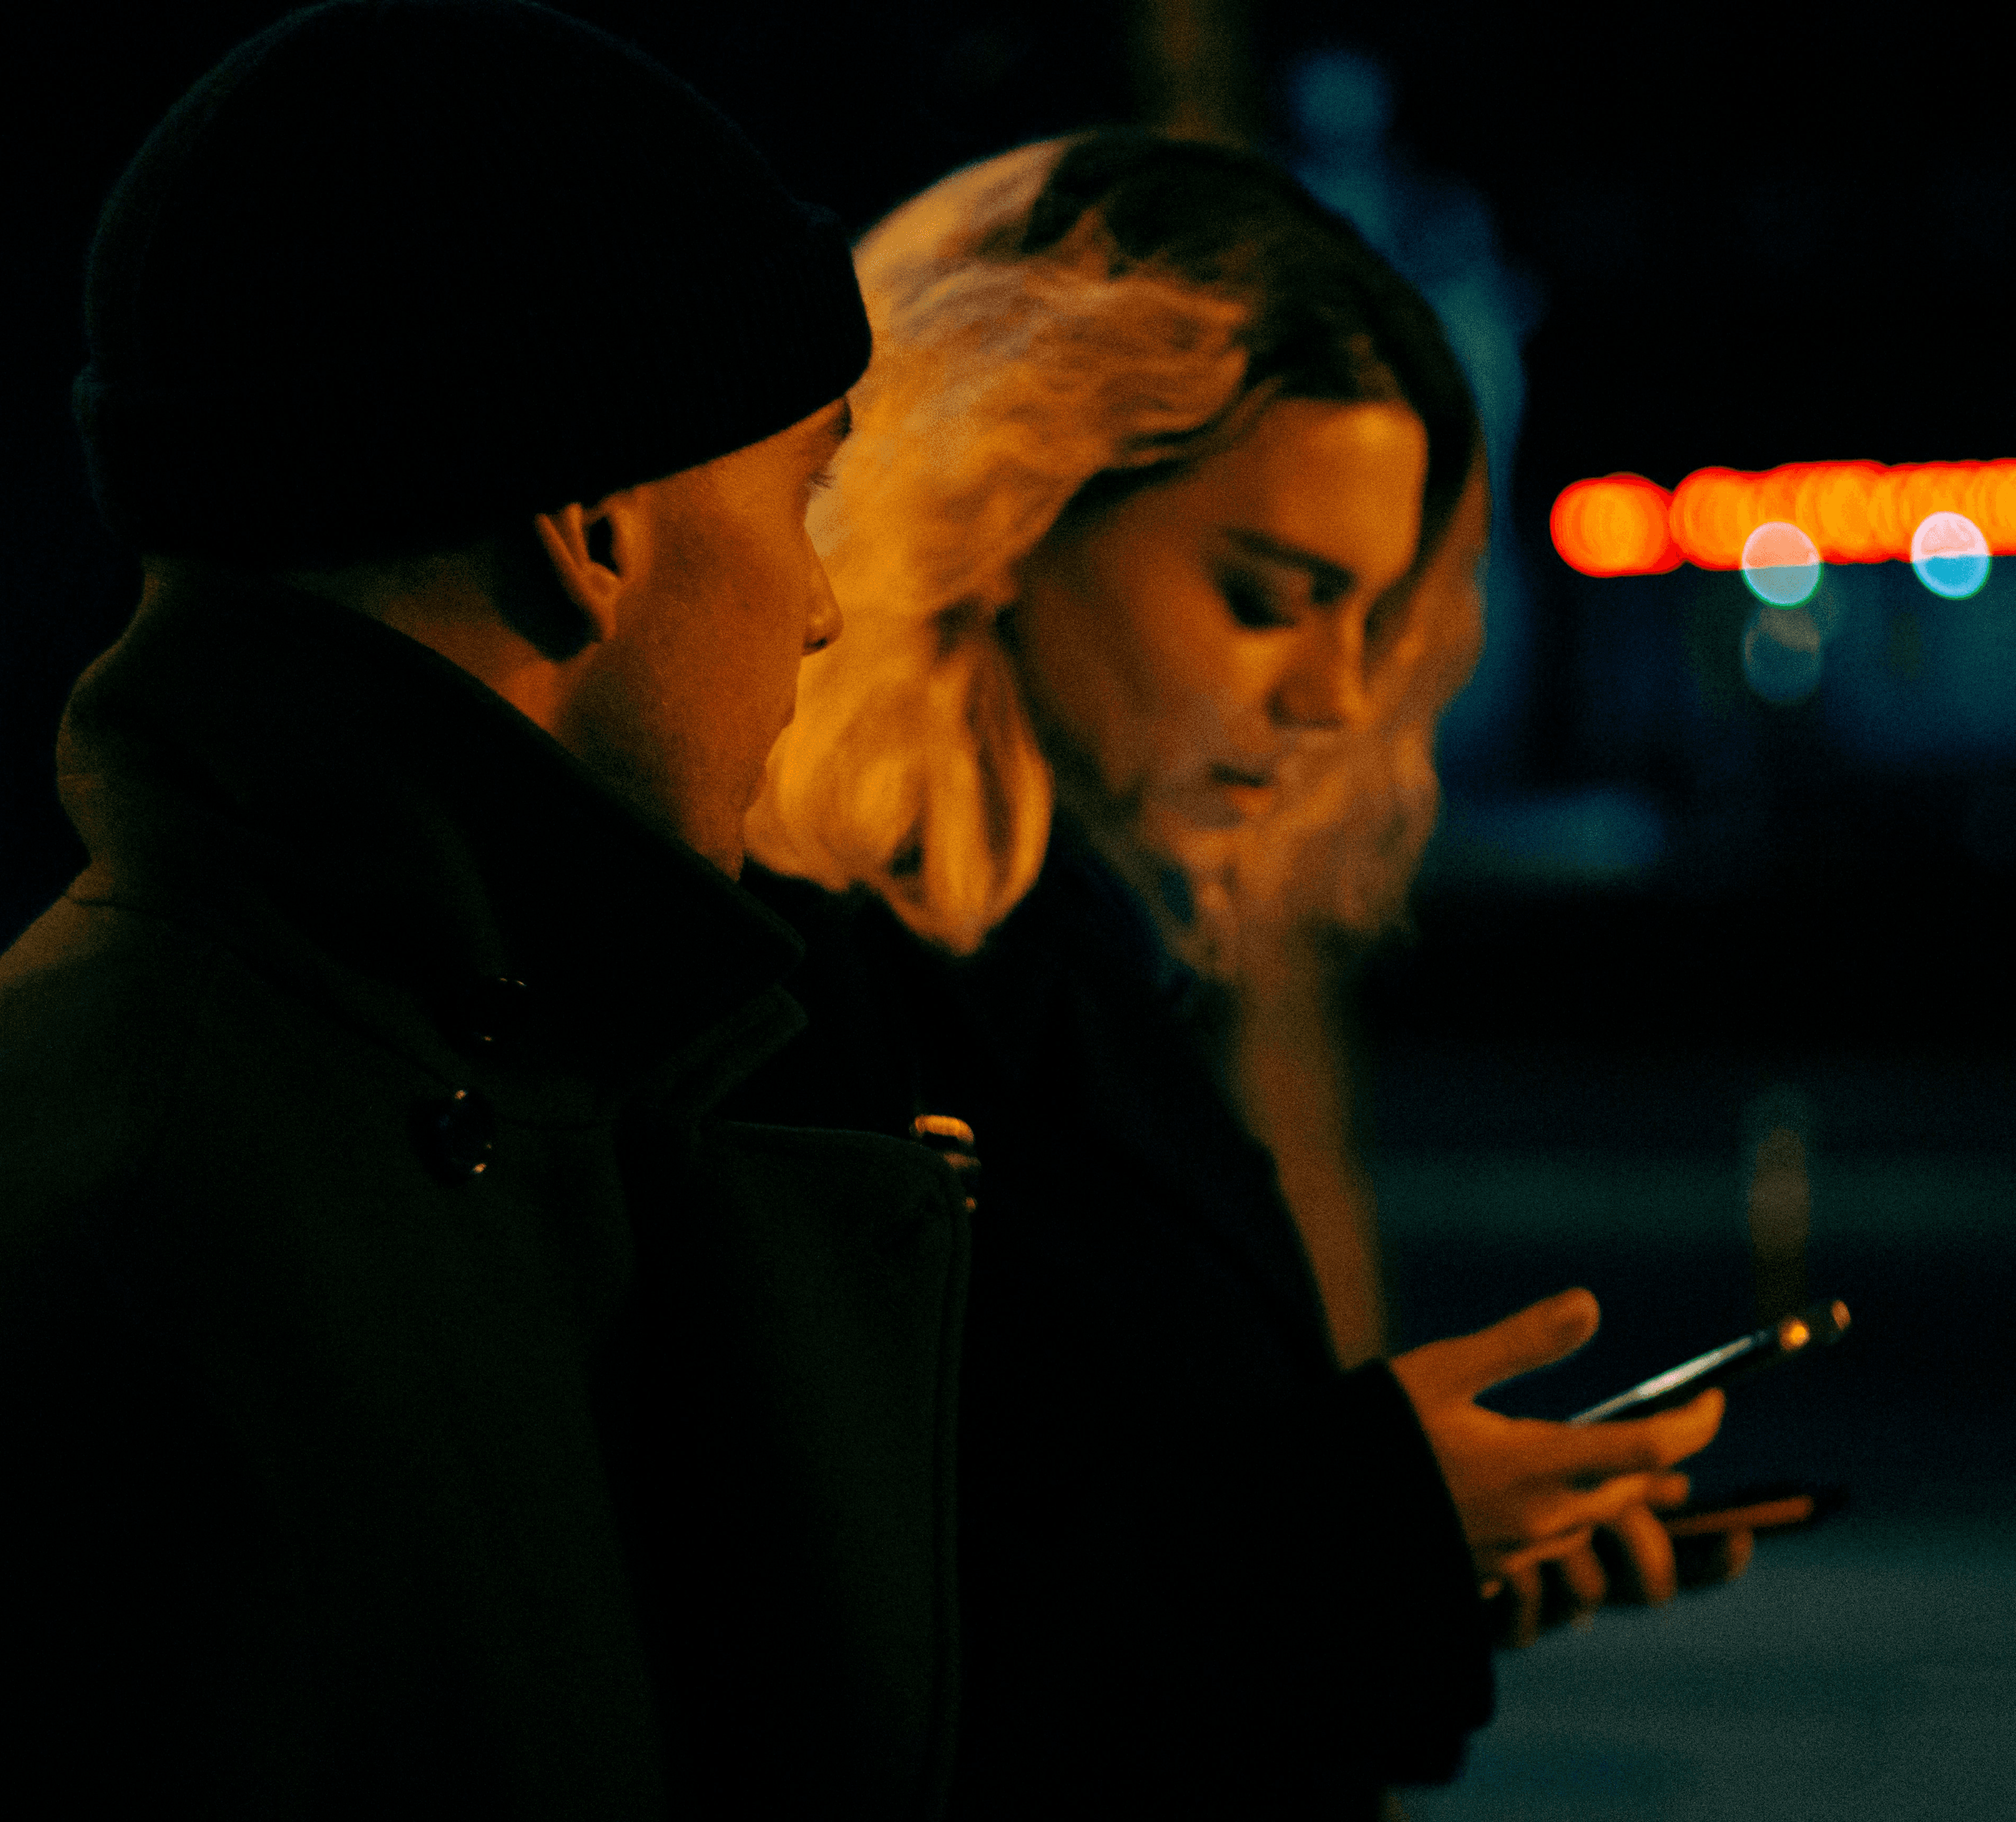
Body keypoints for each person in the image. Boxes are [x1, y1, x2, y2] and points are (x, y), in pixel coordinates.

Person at [0, 5, 967, 1815]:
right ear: (594, 524)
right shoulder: (138, 1242)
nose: (820, 606)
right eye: (803, 491)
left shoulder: (405, 1083)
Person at [735, 131, 1738, 1819]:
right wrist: (1365, 1528)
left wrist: (1441, 1556)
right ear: (1004, 508)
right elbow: (826, 1653)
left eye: (1377, 621)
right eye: (1269, 598)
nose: (1337, 696)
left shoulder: (1068, 969)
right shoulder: (811, 1003)